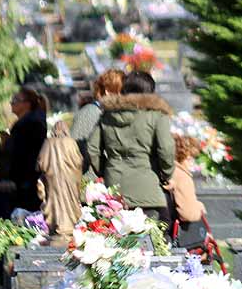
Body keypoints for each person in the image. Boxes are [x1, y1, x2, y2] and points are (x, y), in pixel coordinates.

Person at [87, 70, 175, 222]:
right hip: (148, 186)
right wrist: (167, 174)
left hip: (114, 186)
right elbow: (166, 149)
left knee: (115, 238)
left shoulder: (107, 115)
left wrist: (105, 169)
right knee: (156, 237)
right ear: (150, 93)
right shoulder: (157, 115)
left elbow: (92, 149)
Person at [0, 87, 49, 212]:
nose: (11, 103)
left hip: (24, 179)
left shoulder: (29, 123)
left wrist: (5, 143)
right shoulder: (30, 121)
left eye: (15, 100)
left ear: (27, 104)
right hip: (26, 177)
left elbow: (17, 153)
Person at [72, 69, 124, 172]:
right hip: (90, 177)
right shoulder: (91, 112)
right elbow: (78, 147)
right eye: (122, 92)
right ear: (108, 91)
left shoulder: (104, 111)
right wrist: (106, 171)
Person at [38, 119, 83, 238]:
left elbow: (40, 163)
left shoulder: (47, 143)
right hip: (70, 179)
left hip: (52, 180)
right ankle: (68, 228)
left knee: (54, 203)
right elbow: (78, 161)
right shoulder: (71, 142)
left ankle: (56, 226)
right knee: (69, 203)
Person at [166, 134, 207, 249]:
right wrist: (198, 207)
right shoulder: (182, 176)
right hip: (181, 241)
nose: (193, 163)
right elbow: (189, 214)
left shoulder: (169, 172)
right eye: (191, 158)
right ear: (184, 156)